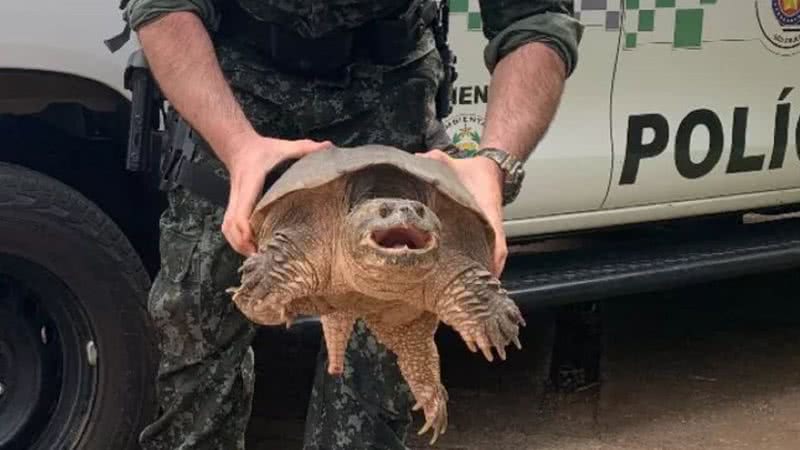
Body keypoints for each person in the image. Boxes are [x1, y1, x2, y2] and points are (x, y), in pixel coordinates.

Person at [121, 0, 583, 448]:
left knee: (379, 374)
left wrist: (495, 161)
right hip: (235, 88)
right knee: (196, 336)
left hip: (390, 93)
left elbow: (535, 15)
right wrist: (237, 145)